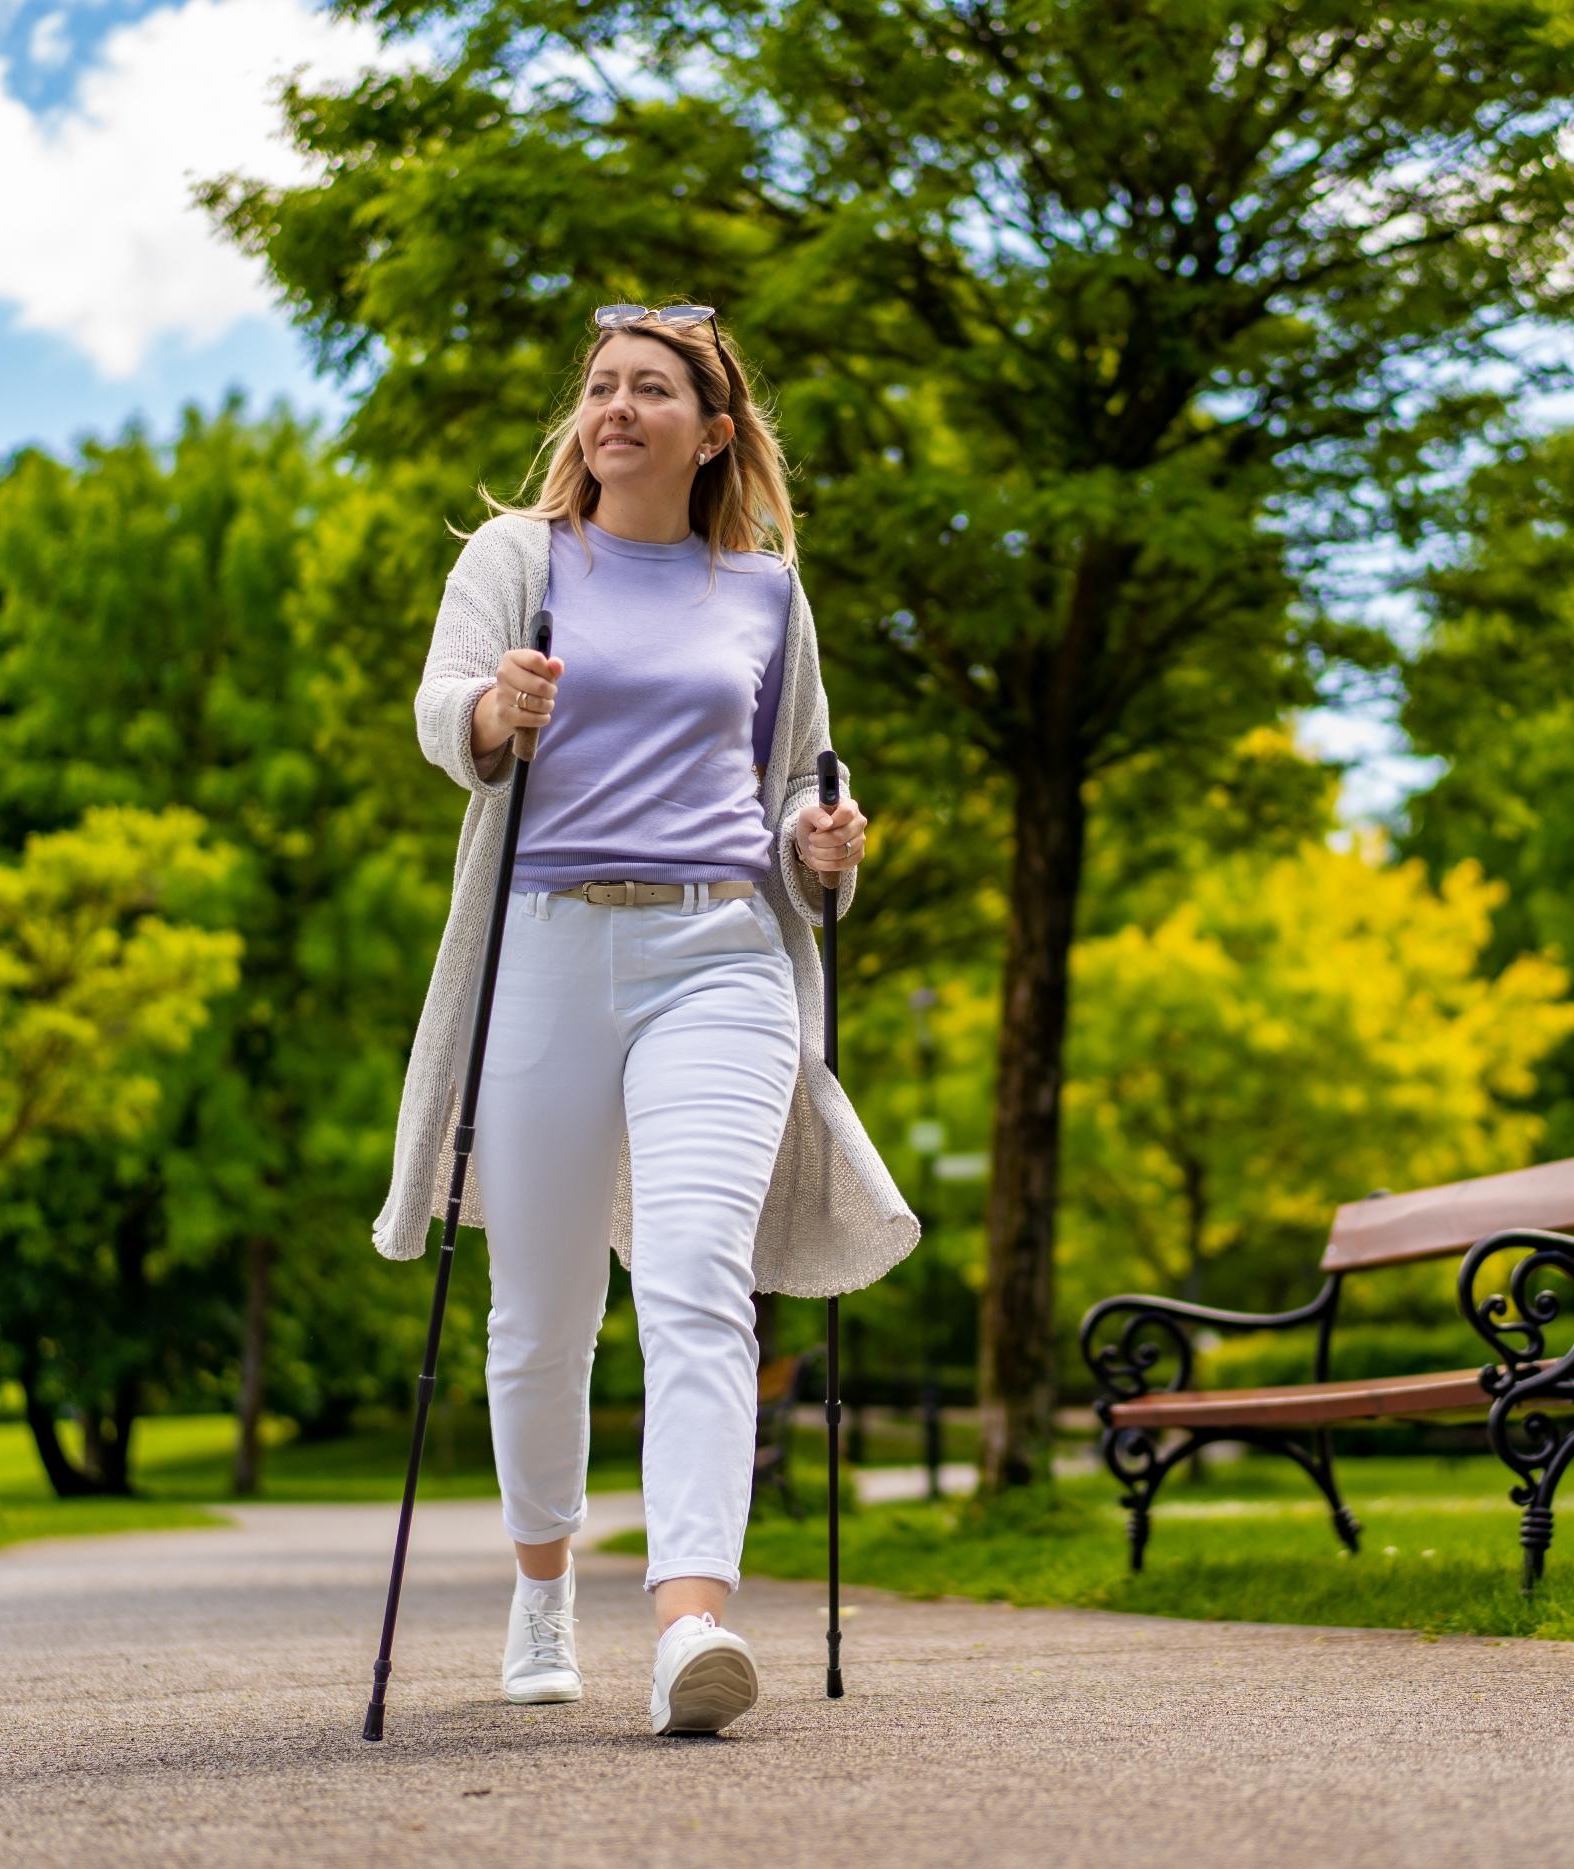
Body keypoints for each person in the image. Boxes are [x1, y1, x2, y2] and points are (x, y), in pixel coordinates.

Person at [369, 301, 922, 1736]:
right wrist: (497, 708)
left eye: (653, 388)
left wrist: (827, 844)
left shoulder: (768, 595)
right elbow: (442, 709)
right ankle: (542, 1583)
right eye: (602, 386)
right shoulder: (519, 558)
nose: (617, 405)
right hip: (546, 944)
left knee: (693, 1274)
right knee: (541, 1313)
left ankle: (691, 1625)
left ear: (712, 431)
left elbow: (803, 777)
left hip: (721, 955)